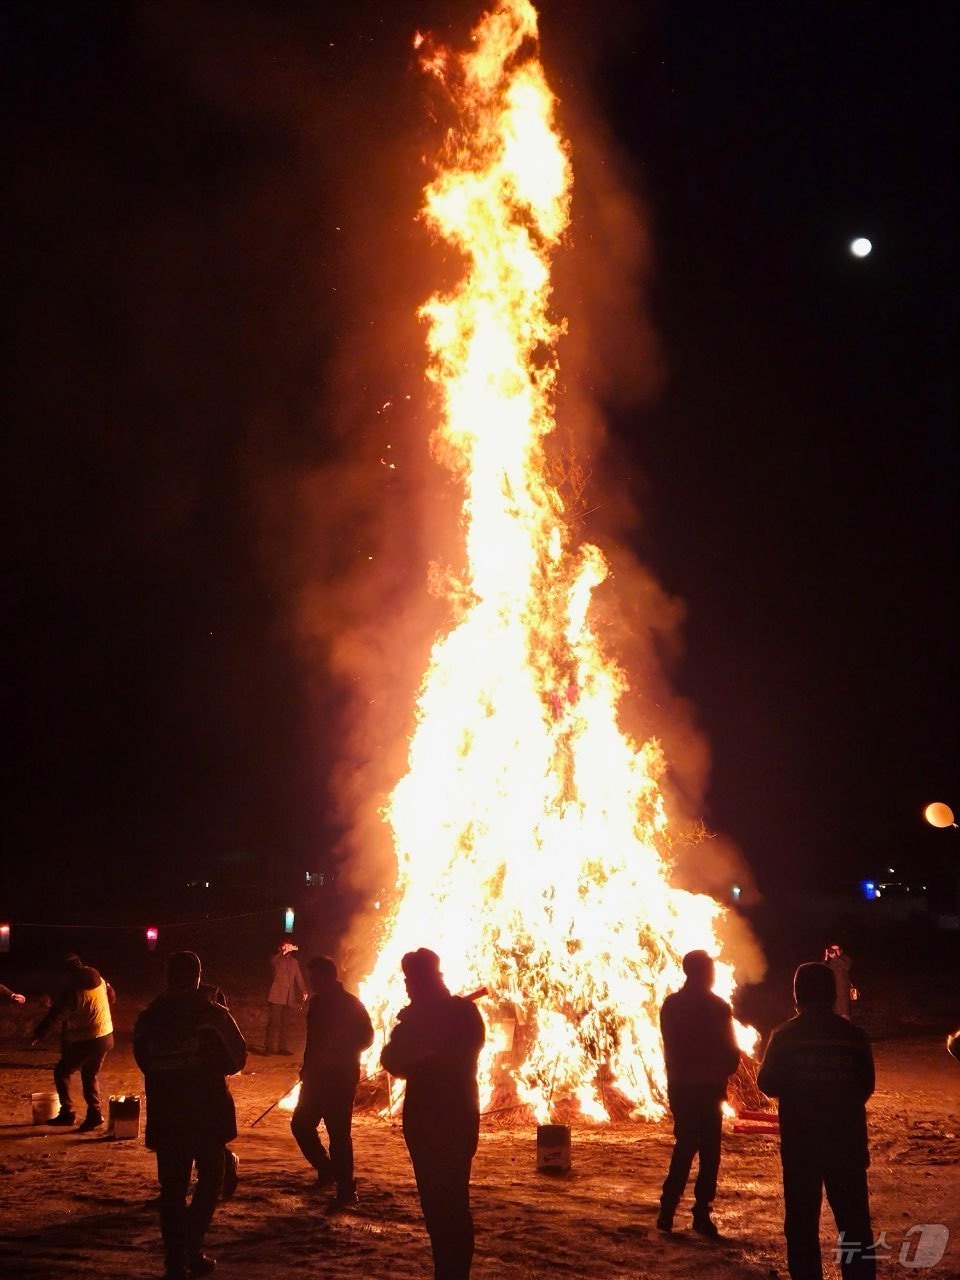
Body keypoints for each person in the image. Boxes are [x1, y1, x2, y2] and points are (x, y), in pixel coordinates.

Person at [757, 962, 876, 1280]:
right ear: (834, 994)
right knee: (854, 1225)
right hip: (846, 1145)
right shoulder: (854, 1036)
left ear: (797, 996)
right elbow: (865, 1086)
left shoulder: (784, 1036)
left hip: (801, 1147)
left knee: (801, 1224)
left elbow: (766, 1083)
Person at [134, 950, 247, 1280]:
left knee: (171, 1188)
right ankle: (192, 1248)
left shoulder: (149, 1017)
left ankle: (174, 1261)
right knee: (210, 1181)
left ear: (168, 976)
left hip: (167, 1114)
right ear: (197, 977)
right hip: (207, 1112)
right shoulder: (212, 1014)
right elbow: (238, 1059)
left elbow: (144, 1061)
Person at [381, 948, 485, 1280]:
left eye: (411, 980)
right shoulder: (422, 1016)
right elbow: (391, 1060)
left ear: (428, 978)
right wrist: (413, 1029)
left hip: (452, 1120)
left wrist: (418, 1035)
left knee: (452, 1204)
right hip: (425, 1125)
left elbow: (451, 1055)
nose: (408, 987)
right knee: (435, 1205)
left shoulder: (463, 1014)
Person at [656, 949, 740, 1239]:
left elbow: (671, 1047)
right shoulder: (718, 1007)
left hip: (681, 1086)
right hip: (707, 1087)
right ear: (703, 973)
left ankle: (667, 1209)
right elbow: (731, 1052)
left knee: (686, 1143)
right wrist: (722, 1069)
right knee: (709, 1150)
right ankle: (701, 1212)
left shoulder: (671, 1005)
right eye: (711, 970)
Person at [290, 955, 373, 1205]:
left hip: (340, 1078)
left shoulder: (351, 1004)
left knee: (338, 1134)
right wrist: (307, 1067)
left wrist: (340, 1052)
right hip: (316, 1078)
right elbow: (313, 1041)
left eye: (315, 977)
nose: (311, 982)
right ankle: (326, 1169)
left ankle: (346, 1188)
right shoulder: (316, 1004)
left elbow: (367, 1037)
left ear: (329, 976)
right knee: (301, 1125)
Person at [32, 953, 116, 1132]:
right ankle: (95, 1114)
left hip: (88, 1040)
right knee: (89, 1074)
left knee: (62, 1071)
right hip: (106, 1036)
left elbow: (55, 1015)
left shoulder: (73, 991)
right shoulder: (99, 978)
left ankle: (68, 1113)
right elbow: (112, 996)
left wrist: (39, 1033)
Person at [264, 939, 307, 1055]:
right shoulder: (277, 959)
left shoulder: (294, 962)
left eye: (289, 945)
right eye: (285, 946)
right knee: (274, 1023)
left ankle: (282, 1048)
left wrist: (304, 990)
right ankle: (269, 1048)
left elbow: (298, 976)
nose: (288, 947)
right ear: (281, 948)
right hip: (276, 996)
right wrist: (282, 953)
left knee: (285, 1024)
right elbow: (273, 962)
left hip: (289, 997)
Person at [824, 943, 854, 1019]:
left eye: (836, 949)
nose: (834, 951)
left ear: (841, 950)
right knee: (833, 1016)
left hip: (843, 991)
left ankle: (847, 1029)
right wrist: (826, 958)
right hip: (831, 992)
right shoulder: (829, 962)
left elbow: (847, 967)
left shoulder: (845, 958)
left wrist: (836, 958)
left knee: (844, 1014)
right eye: (832, 949)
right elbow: (821, 970)